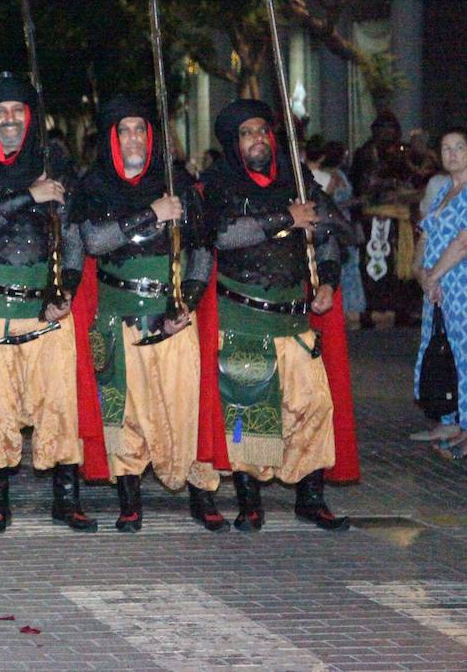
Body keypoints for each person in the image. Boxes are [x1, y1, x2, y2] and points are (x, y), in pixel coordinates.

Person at [0, 72, 99, 533]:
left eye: (18, 110)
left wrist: (67, 289)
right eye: (2, 112)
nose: (10, 119)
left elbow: (74, 234)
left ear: (30, 116)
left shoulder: (54, 159)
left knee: (60, 402)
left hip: (46, 304)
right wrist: (26, 196)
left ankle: (66, 497)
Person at [200, 99, 353, 531]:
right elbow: (222, 235)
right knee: (247, 412)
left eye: (262, 131)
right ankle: (249, 502)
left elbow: (330, 234)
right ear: (234, 142)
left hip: (295, 319)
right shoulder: (220, 181)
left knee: (313, 407)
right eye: (247, 133)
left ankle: (311, 497)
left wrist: (326, 280)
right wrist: (285, 217)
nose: (257, 139)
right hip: (244, 317)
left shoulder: (296, 178)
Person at [75, 96, 226, 533]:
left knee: (187, 404)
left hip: (173, 312)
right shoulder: (95, 187)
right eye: (124, 131)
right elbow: (93, 242)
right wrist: (150, 215)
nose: (133, 138)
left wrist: (189, 301)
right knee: (124, 410)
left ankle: (203, 492)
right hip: (119, 314)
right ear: (111, 139)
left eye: (140, 129)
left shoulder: (178, 183)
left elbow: (201, 249)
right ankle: (129, 498)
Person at [411, 127, 467, 453]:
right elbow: (426, 233)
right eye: (446, 148)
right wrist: (421, 272)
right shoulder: (444, 188)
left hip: (458, 283)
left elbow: (462, 243)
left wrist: (436, 275)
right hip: (436, 287)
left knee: (463, 351)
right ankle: (447, 417)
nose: (453, 154)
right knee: (440, 349)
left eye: (459, 147)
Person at [352, 111, 421, 327]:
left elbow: (413, 179)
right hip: (374, 217)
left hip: (397, 219)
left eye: (391, 128)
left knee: (397, 263)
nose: (387, 133)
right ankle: (374, 306)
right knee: (375, 261)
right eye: (383, 128)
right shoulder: (366, 153)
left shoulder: (403, 152)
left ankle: (399, 307)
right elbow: (362, 185)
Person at [309, 141, 366, 321]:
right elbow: (329, 203)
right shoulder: (331, 177)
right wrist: (355, 202)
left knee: (346, 266)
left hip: (340, 220)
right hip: (336, 221)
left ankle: (350, 308)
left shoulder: (335, 174)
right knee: (341, 265)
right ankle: (348, 308)